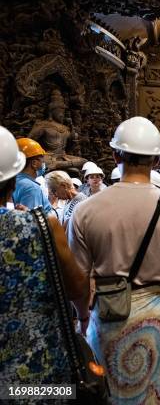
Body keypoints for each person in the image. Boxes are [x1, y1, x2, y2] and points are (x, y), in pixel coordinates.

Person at [68, 116, 160, 404]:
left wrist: (81, 317)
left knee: (112, 393)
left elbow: (78, 279)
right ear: (156, 160)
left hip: (109, 316)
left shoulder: (86, 211)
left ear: (115, 155)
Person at [0, 126, 90, 392]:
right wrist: (84, 317)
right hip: (35, 363)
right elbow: (76, 287)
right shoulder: (40, 224)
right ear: (14, 180)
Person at [12, 138, 53, 214]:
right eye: (42, 161)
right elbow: (32, 222)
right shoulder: (31, 187)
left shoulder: (13, 182)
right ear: (34, 163)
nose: (44, 165)